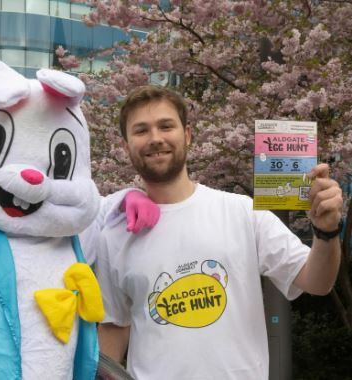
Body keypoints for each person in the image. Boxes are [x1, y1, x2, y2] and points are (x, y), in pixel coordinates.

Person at [96, 85, 342, 380]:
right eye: (141, 130)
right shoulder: (114, 235)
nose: (155, 138)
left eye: (166, 126)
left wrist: (326, 232)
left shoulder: (242, 212)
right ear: (126, 146)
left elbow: (317, 281)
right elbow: (114, 325)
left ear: (186, 135)